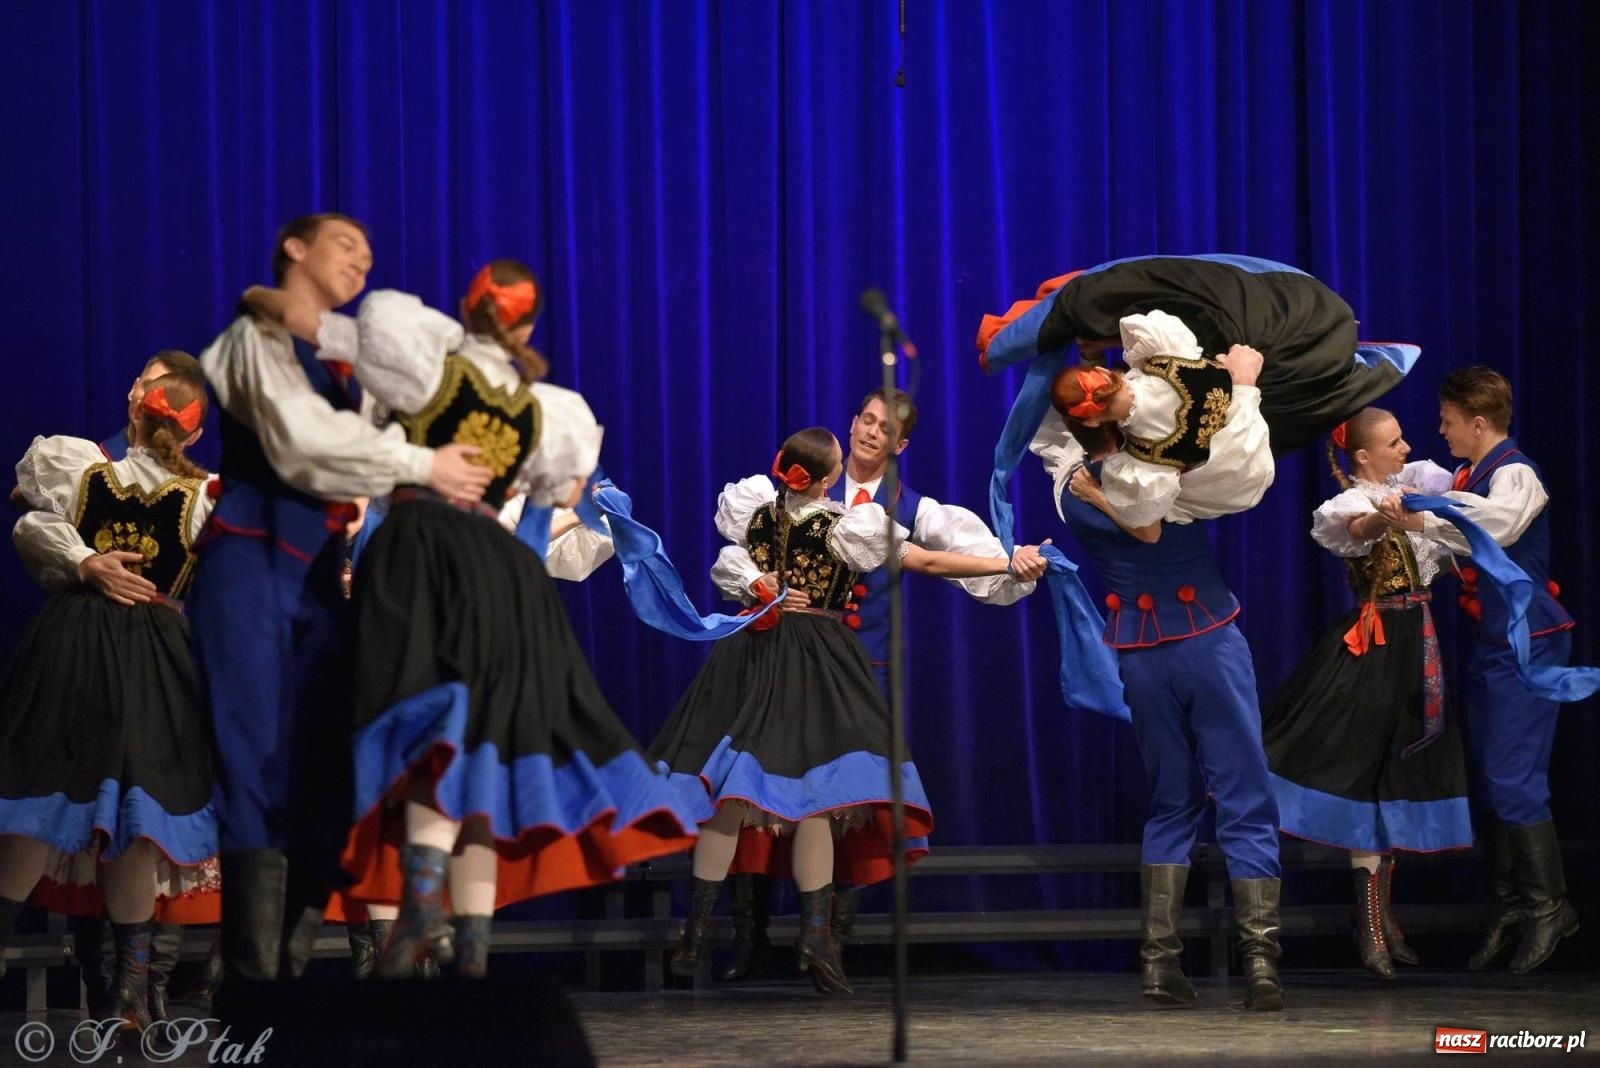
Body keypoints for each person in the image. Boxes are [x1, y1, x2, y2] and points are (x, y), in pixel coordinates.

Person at [244, 260, 702, 979]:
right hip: (502, 570)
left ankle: (420, 901)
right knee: (486, 742)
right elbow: (570, 486)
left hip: (421, 548)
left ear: (466, 305)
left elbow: (314, 327)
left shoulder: (421, 354)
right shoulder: (547, 405)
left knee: (419, 719)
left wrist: (273, 300)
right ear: (524, 324)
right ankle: (473, 952)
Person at [188, 213, 494, 982]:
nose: (363, 256)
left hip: (321, 573)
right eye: (345, 243)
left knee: (329, 765)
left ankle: (289, 961)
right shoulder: (247, 343)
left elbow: (437, 362)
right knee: (255, 757)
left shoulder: (342, 358)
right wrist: (422, 461)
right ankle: (256, 982)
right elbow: (300, 441)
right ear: (295, 246)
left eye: (369, 248)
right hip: (253, 559)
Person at [652, 426, 1046, 995]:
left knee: (732, 795)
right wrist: (1004, 565)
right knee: (817, 797)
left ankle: (694, 934)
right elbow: (929, 564)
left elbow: (732, 571)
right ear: (832, 478)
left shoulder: (754, 514)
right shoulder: (846, 528)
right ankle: (813, 935)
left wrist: (761, 584)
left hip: (749, 656)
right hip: (815, 660)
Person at [1030, 412, 1283, 1011]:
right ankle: (1261, 965)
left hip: (1140, 656)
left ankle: (1159, 965)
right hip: (1207, 642)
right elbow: (1186, 500)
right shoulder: (1166, 471)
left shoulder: (1070, 488)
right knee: (1245, 797)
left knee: (1171, 803)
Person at [0, 373, 221, 1033]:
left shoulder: (79, 470)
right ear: (196, 432)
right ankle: (130, 994)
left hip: (73, 644)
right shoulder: (204, 498)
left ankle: (125, 991)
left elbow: (31, 526)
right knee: (135, 822)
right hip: (151, 657)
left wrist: (83, 561)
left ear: (133, 412)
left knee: (43, 803)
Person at [1376, 366, 1579, 974]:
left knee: (1515, 778)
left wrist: (1426, 520)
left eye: (1447, 420)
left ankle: (1550, 907)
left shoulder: (1514, 473)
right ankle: (1512, 904)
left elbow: (1497, 527)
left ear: (1479, 422)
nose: (1441, 430)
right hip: (1493, 640)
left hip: (1526, 642)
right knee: (1494, 778)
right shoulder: (1467, 476)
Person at [1261, 407, 1473, 978]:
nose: (1405, 448)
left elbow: (1454, 499)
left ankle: (1383, 921)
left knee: (1399, 773)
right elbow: (1357, 533)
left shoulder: (1413, 485)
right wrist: (1385, 519)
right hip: (1375, 654)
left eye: (1403, 438)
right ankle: (1372, 929)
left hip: (1418, 646)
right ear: (1362, 456)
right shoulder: (1352, 503)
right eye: (1392, 442)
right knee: (1367, 775)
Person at [1044, 311, 1275, 528]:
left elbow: (1246, 472)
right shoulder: (1162, 351)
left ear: (1091, 422)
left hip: (1266, 427)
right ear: (1103, 372)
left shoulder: (1144, 462)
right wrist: (1243, 382)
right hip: (1261, 362)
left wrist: (1245, 390)